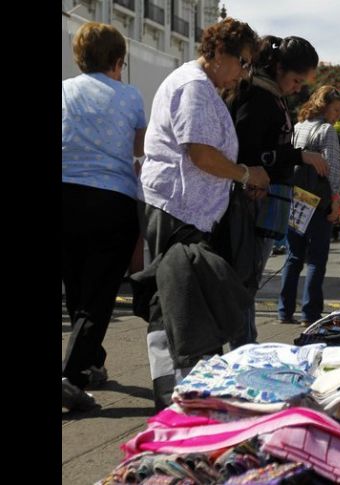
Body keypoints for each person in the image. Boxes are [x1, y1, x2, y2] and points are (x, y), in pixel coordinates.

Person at [136, 18, 263, 410]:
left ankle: (177, 387)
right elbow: (201, 154)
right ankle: (177, 388)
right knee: (175, 300)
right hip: (179, 208)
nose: (244, 74)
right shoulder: (194, 86)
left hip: (188, 209)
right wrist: (245, 174)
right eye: (243, 63)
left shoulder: (202, 86)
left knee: (175, 298)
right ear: (220, 52)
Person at [62, 22, 147, 412]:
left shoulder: (63, 90)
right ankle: (71, 376)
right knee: (98, 296)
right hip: (111, 198)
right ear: (116, 61)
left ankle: (91, 362)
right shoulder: (129, 97)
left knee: (76, 287)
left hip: (66, 195)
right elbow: (141, 147)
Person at [224, 35, 325, 328]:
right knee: (246, 277)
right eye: (296, 80)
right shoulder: (258, 96)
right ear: (278, 67)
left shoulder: (270, 95)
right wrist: (298, 156)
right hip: (252, 198)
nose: (298, 88)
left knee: (250, 277)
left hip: (266, 197)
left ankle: (244, 342)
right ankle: (243, 344)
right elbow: (248, 150)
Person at [278, 86, 340, 325]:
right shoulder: (326, 130)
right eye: (336, 109)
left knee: (294, 256)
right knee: (317, 258)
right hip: (319, 201)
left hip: (296, 198)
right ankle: (310, 313)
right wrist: (336, 200)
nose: (338, 115)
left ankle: (284, 310)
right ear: (324, 106)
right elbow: (333, 168)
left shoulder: (298, 127)